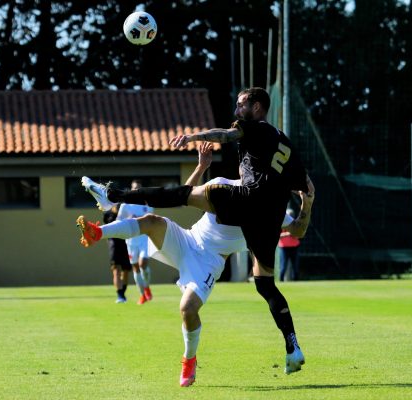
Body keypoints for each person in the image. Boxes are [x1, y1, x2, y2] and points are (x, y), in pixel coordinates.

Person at [77, 142, 315, 386]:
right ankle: (97, 232)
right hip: (188, 240)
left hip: (209, 263)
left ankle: (189, 360)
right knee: (151, 221)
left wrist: (307, 203)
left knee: (187, 309)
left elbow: (298, 230)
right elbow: (184, 194)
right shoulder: (221, 186)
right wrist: (201, 167)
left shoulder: (268, 210)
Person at [116, 180, 154, 305]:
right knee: (136, 267)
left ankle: (147, 287)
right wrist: (128, 219)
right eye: (134, 188)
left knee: (143, 264)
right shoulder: (125, 205)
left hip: (144, 239)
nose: (136, 190)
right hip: (131, 241)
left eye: (138, 188)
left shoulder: (147, 203)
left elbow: (151, 220)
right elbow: (119, 221)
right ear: (131, 189)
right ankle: (142, 294)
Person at [102, 204, 132, 303]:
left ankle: (123, 292)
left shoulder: (127, 213)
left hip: (126, 243)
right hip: (113, 244)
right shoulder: (108, 214)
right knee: (116, 270)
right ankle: (120, 295)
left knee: (126, 271)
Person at [278, 209, 301, 281]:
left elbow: (299, 235)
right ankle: (280, 282)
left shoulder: (295, 224)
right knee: (283, 267)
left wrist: (294, 234)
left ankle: (296, 283)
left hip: (295, 247)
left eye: (291, 215)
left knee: (295, 268)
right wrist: (288, 234)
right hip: (284, 247)